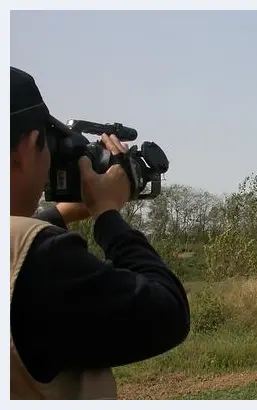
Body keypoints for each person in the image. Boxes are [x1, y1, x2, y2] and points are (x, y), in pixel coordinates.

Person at [9, 66, 191, 400]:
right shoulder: (40, 260)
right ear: (28, 146)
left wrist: (61, 214)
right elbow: (167, 313)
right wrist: (107, 215)